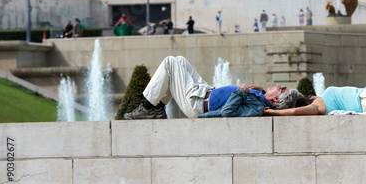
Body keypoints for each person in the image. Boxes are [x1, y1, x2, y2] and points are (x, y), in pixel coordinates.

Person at [124, 56, 299, 120]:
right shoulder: (259, 98)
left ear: (277, 99)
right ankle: (158, 109)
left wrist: (241, 90)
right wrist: (255, 90)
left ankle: (147, 108)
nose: (277, 85)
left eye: (281, 88)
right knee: (180, 61)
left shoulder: (258, 107)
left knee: (170, 62)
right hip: (205, 92)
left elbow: (228, 112)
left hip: (198, 104)